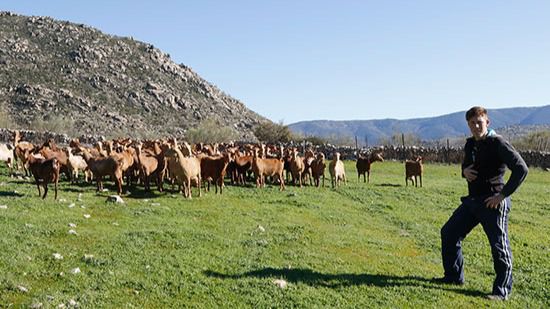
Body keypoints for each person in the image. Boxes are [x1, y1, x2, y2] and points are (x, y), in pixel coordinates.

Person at [437, 106, 528, 300]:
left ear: (487, 122)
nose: (476, 126)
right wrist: (464, 172)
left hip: (493, 202)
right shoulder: (471, 144)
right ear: (468, 125)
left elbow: (521, 169)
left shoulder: (498, 143)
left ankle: (501, 291)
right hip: (473, 201)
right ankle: (453, 277)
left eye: (480, 122)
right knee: (449, 233)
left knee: (499, 246)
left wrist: (501, 196)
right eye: (472, 123)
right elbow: (467, 165)